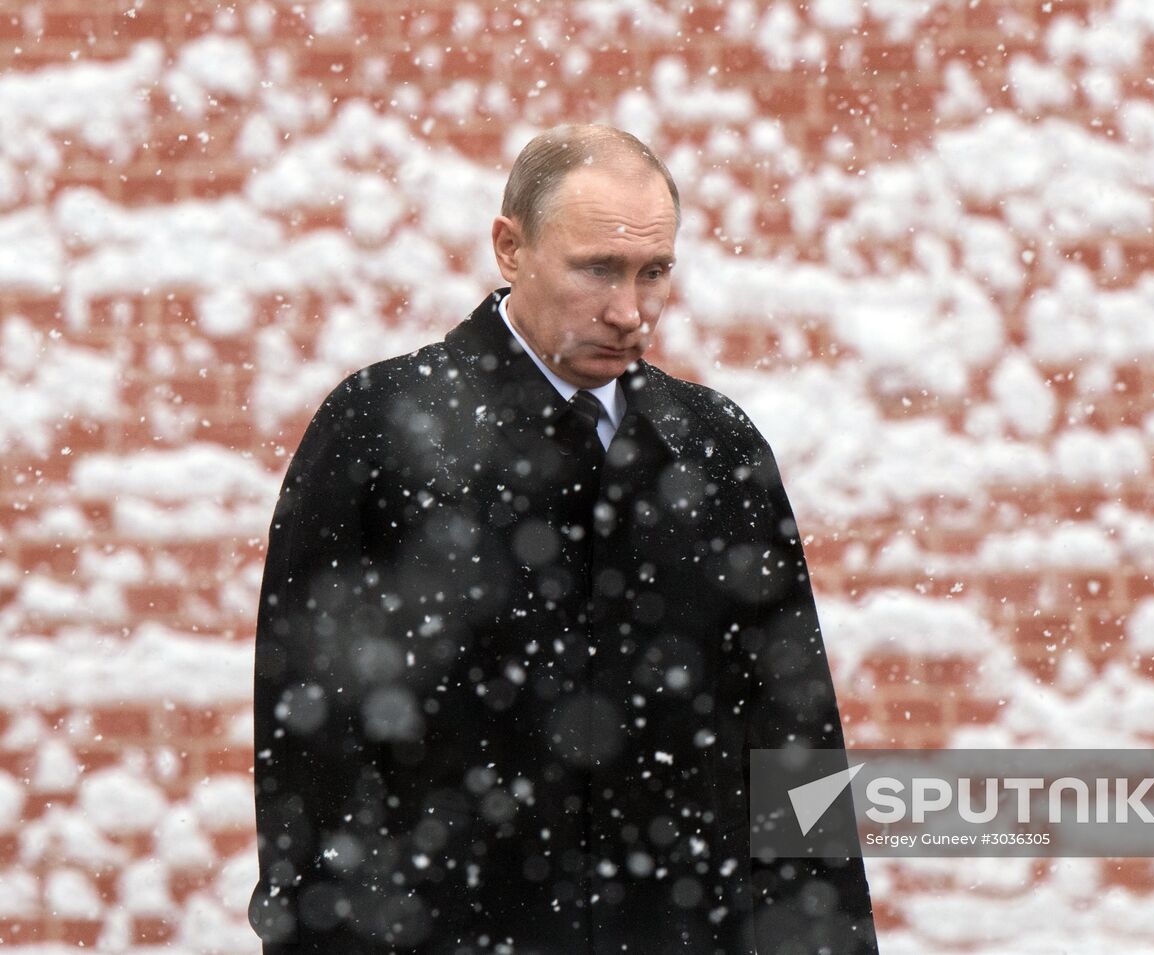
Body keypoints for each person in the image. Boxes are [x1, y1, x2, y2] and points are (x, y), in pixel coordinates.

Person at [246, 124, 879, 954]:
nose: (630, 311)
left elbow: (794, 745)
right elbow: (312, 750)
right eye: (599, 269)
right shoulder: (376, 433)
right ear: (511, 248)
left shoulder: (717, 448)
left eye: (654, 272)